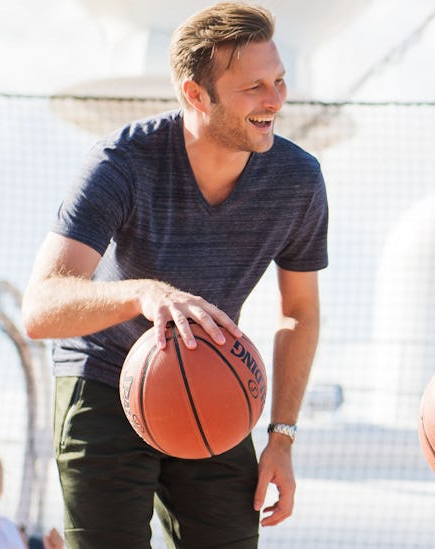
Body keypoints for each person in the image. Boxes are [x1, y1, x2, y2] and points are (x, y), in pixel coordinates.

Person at [20, 2, 327, 547]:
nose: (275, 100)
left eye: (278, 80)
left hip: (212, 378)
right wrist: (143, 293)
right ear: (195, 94)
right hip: (104, 376)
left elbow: (298, 311)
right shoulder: (122, 161)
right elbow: (40, 307)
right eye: (252, 86)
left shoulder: (298, 179)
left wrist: (281, 436)